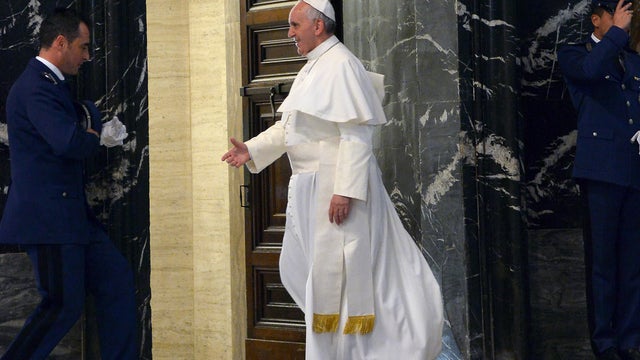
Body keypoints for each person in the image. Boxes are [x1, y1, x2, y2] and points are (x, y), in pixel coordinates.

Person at [222, 0, 443, 358]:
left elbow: (357, 135)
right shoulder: (313, 67)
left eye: (294, 25)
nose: (290, 34)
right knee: (313, 277)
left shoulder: (341, 65)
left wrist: (344, 191)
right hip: (311, 187)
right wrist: (251, 149)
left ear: (318, 26)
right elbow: (290, 127)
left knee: (350, 276)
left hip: (336, 188)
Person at [0, 7, 138, 360]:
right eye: (83, 47)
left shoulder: (49, 84)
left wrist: (89, 123)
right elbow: (67, 142)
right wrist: (95, 137)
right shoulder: (35, 86)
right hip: (49, 220)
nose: (88, 56)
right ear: (61, 43)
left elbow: (73, 125)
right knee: (61, 305)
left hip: (71, 217)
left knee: (116, 281)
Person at [558, 1, 640, 359]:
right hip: (600, 171)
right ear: (597, 19)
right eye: (618, 15)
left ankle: (630, 339)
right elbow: (591, 72)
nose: (625, 21)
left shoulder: (632, 61)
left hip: (633, 170)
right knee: (603, 264)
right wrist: (619, 33)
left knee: (633, 263)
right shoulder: (576, 53)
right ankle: (605, 344)